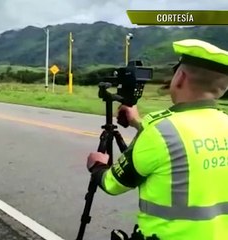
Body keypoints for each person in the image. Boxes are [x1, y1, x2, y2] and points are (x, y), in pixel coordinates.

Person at [86, 39, 228, 240]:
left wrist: (97, 166)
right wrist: (137, 122)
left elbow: (112, 184)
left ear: (180, 78)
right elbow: (184, 139)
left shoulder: (160, 132)